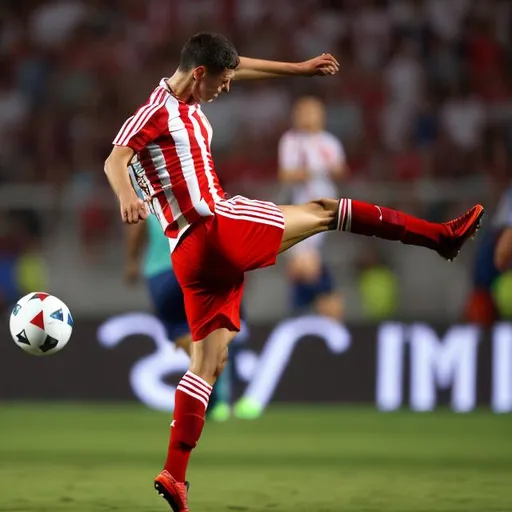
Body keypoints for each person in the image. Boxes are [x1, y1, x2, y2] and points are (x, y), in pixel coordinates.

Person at [104, 32, 484, 512]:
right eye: (221, 81)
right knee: (327, 208)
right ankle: (440, 237)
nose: (227, 88)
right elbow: (115, 157)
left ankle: (175, 475)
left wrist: (299, 69)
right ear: (199, 73)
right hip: (216, 226)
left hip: (191, 260)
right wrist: (126, 197)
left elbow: (239, 67)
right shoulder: (156, 110)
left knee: (208, 364)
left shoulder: (192, 92)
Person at [124, 197, 235, 422]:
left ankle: (208, 380)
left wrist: (132, 261)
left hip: (160, 276)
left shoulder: (145, 195)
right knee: (206, 330)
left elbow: (136, 231)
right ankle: (216, 391)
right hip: (192, 268)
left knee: (180, 332)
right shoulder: (191, 192)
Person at [278, 96, 347, 320]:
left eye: (313, 112)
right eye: (304, 111)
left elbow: (341, 171)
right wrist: (312, 170)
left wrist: (327, 168)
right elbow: (286, 175)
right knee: (304, 266)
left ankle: (310, 313)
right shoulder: (292, 141)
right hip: (303, 210)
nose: (308, 116)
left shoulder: (329, 142)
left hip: (330, 209)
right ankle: (323, 308)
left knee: (304, 266)